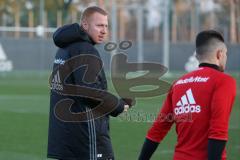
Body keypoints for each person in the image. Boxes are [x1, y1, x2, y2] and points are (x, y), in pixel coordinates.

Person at [47, 6, 133, 160]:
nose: (104, 31)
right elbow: (89, 92)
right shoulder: (85, 50)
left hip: (66, 137)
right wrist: (118, 105)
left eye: (106, 26)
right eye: (99, 25)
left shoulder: (64, 48)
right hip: (86, 137)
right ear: (85, 25)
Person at [138, 30, 236, 160]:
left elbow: (158, 130)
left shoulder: (178, 84)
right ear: (220, 54)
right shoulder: (224, 81)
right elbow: (218, 131)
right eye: (226, 54)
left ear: (197, 57)